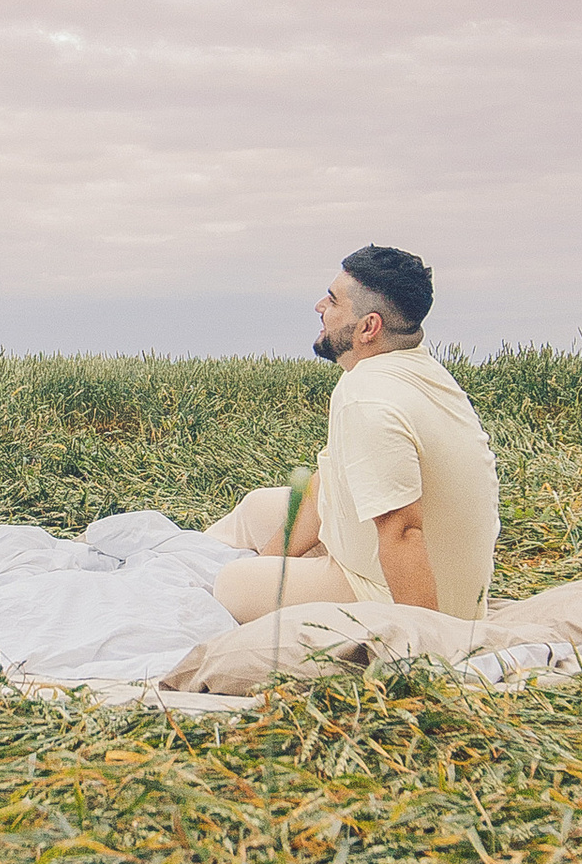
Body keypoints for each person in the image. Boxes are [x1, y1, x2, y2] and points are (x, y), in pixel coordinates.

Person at [206, 246, 499, 623]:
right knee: (256, 509)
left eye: (332, 300)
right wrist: (273, 563)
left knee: (233, 583)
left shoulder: (367, 399)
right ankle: (192, 561)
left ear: (368, 327)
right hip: (415, 561)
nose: (319, 307)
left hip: (407, 596)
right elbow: (324, 485)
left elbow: (404, 532)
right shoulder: (414, 370)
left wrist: (429, 640)